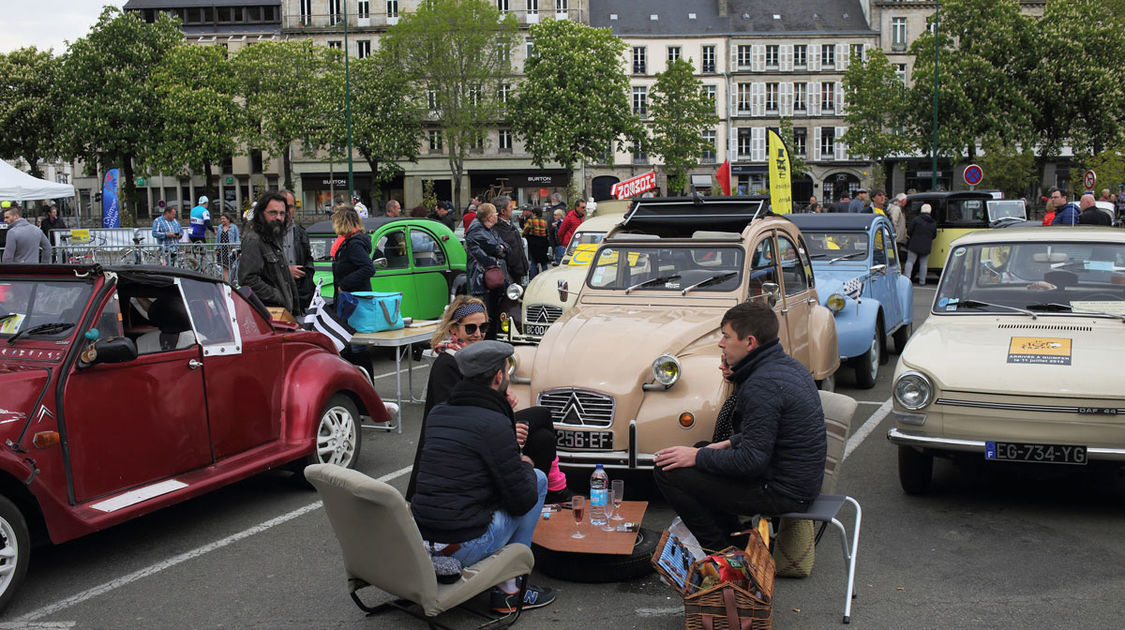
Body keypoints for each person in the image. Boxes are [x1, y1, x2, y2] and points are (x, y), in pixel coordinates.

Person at [652, 301, 825, 552]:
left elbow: (751, 461)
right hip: (797, 481)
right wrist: (726, 443)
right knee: (700, 451)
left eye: (726, 336)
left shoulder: (762, 384)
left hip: (783, 492)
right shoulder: (786, 366)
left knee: (667, 469)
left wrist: (699, 456)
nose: (721, 343)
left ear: (750, 342)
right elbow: (773, 432)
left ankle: (722, 554)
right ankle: (737, 540)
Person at [409, 340, 557, 614]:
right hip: (462, 545)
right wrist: (523, 464)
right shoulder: (494, 422)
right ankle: (511, 589)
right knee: (536, 480)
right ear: (499, 376)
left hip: (421, 542)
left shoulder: (438, 413)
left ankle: (504, 584)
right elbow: (522, 500)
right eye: (507, 371)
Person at [408, 295, 569, 501]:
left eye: (483, 327)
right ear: (453, 330)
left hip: (484, 430)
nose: (478, 334)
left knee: (543, 439)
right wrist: (506, 427)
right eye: (470, 328)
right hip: (463, 446)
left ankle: (550, 496)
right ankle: (553, 491)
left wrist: (503, 411)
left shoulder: (477, 358)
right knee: (542, 415)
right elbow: (450, 420)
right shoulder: (447, 363)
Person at [237, 192, 301, 315]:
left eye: (282, 213)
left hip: (282, 312)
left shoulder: (274, 237)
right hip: (268, 313)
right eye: (273, 212)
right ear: (261, 213)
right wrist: (279, 296)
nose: (278, 217)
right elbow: (248, 279)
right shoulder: (254, 239)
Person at [331, 205, 376, 374]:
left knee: (357, 350)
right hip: (350, 302)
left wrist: (344, 284)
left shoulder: (354, 244)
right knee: (350, 349)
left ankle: (367, 388)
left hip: (354, 303)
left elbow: (368, 268)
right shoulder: (348, 243)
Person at [465, 203, 509, 340]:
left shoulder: (489, 229)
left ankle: (491, 340)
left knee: (495, 312)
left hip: (492, 277)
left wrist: (502, 247)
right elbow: (498, 250)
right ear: (490, 217)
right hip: (481, 279)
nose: (497, 216)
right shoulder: (477, 231)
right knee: (484, 315)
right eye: (495, 214)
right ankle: (484, 343)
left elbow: (505, 246)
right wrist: (501, 248)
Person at [281, 190, 315, 310]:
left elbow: (308, 261)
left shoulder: (301, 233)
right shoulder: (267, 234)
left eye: (289, 207)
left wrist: (307, 287)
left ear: (294, 208)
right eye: (283, 206)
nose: (286, 211)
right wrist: (286, 271)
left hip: (299, 294)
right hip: (277, 294)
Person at [491, 196, 529, 285]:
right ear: (503, 211)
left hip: (517, 270)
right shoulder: (497, 228)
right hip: (508, 273)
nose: (513, 209)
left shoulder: (509, 224)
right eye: (510, 207)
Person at [903, 203, 937, 286]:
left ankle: (907, 279)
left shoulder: (916, 220)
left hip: (914, 244)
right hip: (926, 245)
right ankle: (922, 281)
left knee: (910, 262)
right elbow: (934, 235)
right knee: (924, 264)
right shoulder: (933, 222)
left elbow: (909, 231)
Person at [522, 207, 550, 280]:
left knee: (534, 261)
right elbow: (547, 232)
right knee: (544, 261)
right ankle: (546, 277)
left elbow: (524, 231)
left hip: (533, 242)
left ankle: (533, 278)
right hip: (543, 243)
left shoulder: (530, 221)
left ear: (534, 213)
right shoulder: (544, 221)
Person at [216, 213, 240, 282]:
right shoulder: (220, 227)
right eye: (221, 219)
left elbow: (237, 238)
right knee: (224, 266)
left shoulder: (234, 227)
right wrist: (217, 248)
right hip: (222, 249)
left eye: (224, 219)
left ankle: (232, 280)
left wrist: (236, 248)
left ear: (228, 219)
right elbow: (217, 238)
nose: (222, 220)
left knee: (232, 266)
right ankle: (226, 282)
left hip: (230, 249)